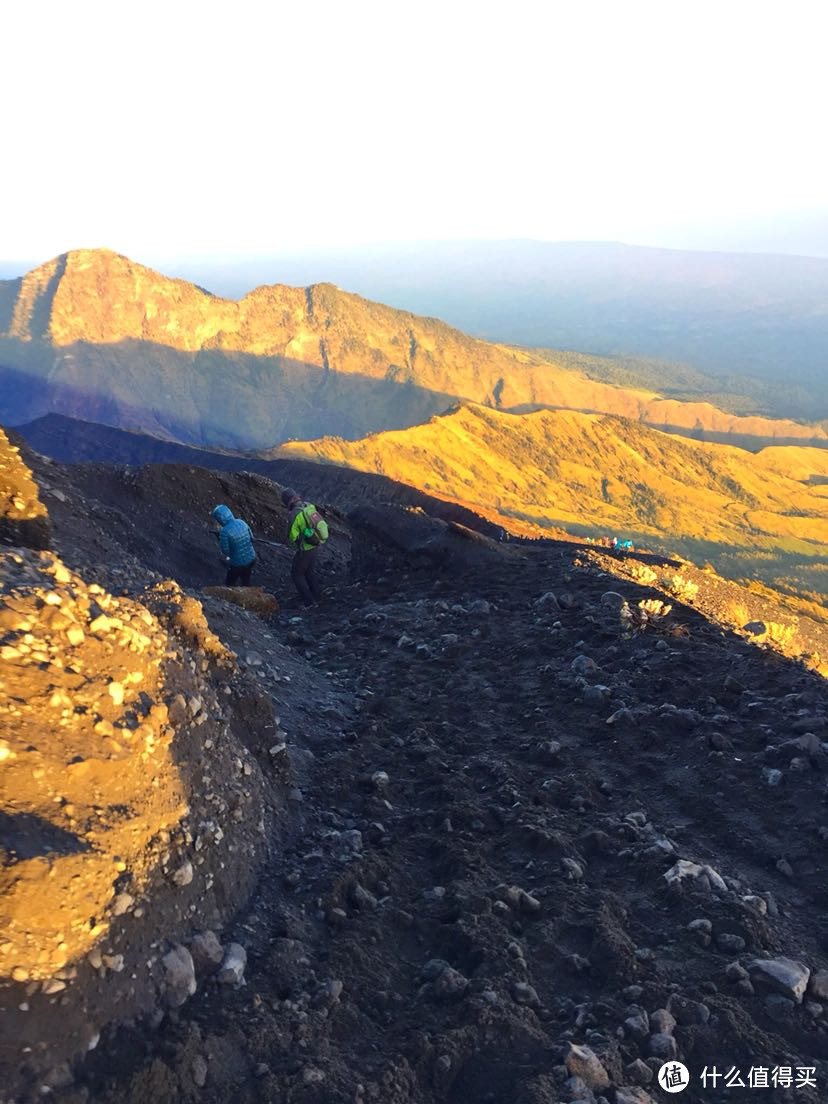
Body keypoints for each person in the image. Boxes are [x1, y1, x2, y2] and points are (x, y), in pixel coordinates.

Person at [281, 488, 328, 607]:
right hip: (316, 543)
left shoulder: (294, 514)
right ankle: (317, 596)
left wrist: (296, 540)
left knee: (297, 574)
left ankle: (309, 602)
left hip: (306, 548)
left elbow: (292, 537)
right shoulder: (309, 506)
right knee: (309, 572)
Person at [212, 504, 256, 586]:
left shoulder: (224, 532)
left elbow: (225, 551)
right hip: (251, 558)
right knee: (246, 579)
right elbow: (252, 538)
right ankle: (249, 593)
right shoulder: (241, 522)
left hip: (237, 563)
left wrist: (220, 539)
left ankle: (233, 596)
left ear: (219, 519)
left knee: (230, 582)